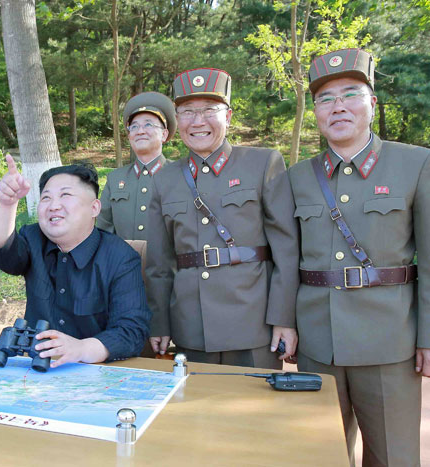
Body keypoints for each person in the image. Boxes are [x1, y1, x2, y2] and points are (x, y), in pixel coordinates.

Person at [289, 48, 429, 466]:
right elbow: (285, 257)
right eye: (325, 99)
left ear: (371, 102)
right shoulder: (297, 176)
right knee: (320, 455)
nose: (338, 107)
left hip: (390, 341)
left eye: (351, 94)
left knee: (394, 456)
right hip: (318, 341)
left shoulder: (416, 163)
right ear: (315, 112)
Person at [145, 67, 299, 368]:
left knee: (256, 413)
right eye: (187, 112)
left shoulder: (262, 163)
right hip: (191, 327)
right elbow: (158, 265)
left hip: (254, 325)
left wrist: (284, 318)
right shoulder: (166, 179)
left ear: (227, 116)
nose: (198, 121)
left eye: (209, 111)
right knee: (197, 414)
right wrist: (160, 323)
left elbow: (287, 251)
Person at [0, 158, 150, 367]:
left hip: (96, 374)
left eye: (66, 195)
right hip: (34, 371)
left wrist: (81, 348)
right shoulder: (33, 238)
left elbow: (132, 331)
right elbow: (3, 253)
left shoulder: (120, 257)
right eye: (46, 198)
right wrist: (7, 204)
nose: (54, 206)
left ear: (94, 208)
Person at [96, 91, 176, 240]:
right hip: (122, 262)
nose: (140, 131)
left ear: (164, 134)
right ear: (129, 136)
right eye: (134, 127)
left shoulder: (181, 175)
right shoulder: (115, 179)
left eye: (148, 124)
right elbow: (103, 232)